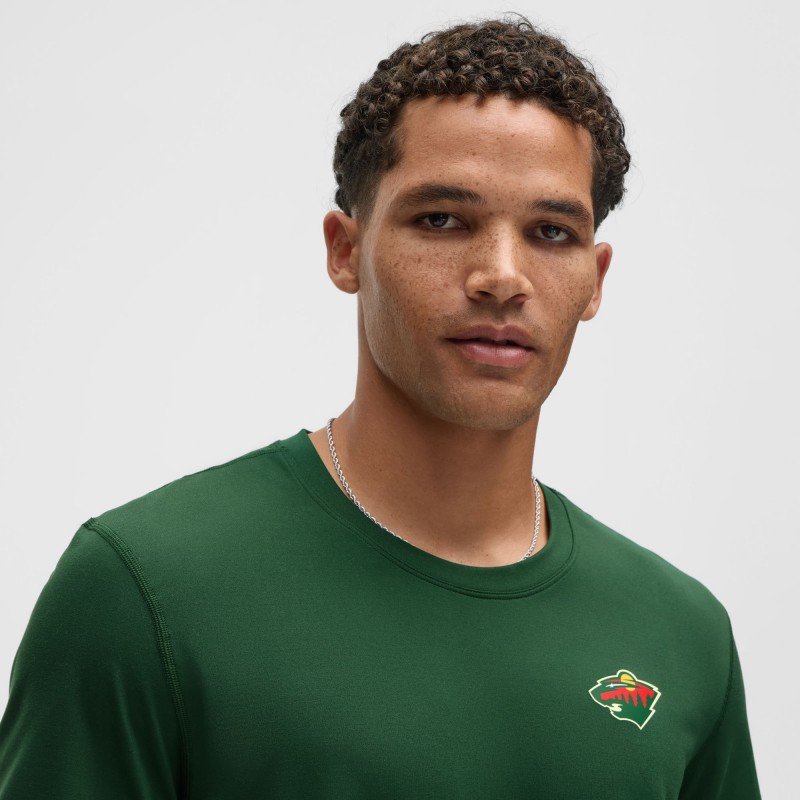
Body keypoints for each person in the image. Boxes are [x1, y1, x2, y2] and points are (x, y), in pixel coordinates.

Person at [0, 15, 760, 799]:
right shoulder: (144, 593)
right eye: (442, 220)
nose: (503, 276)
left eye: (550, 231)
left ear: (595, 279)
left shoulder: (683, 635)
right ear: (345, 250)